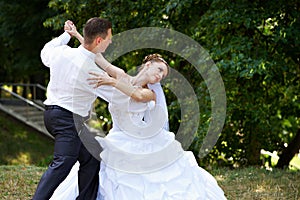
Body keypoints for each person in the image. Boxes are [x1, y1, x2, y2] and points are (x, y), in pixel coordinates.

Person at [49, 22, 227, 198]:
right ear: (148, 65)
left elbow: (136, 96)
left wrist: (111, 81)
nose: (159, 76)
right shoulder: (122, 75)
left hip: (141, 140)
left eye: (162, 75)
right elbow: (97, 56)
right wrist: (78, 35)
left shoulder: (149, 93)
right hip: (117, 138)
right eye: (159, 70)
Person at [33, 17, 116, 200]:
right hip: (66, 120)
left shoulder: (61, 52)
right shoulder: (92, 71)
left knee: (92, 157)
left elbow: (45, 51)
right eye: (109, 38)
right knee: (64, 161)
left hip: (53, 115)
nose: (111, 42)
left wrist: (66, 35)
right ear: (99, 41)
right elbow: (116, 96)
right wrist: (141, 91)